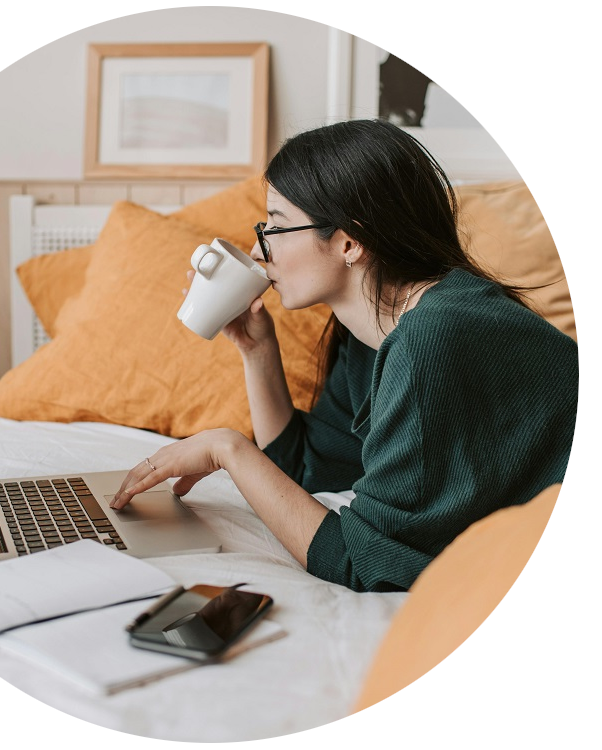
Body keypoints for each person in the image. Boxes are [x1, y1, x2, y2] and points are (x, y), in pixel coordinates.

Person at [110, 119, 578, 593]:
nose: (258, 247)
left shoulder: (433, 339)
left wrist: (227, 449)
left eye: (275, 224)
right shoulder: (374, 329)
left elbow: (364, 561)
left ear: (350, 242)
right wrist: (257, 349)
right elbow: (310, 473)